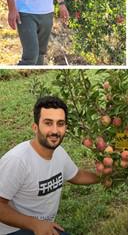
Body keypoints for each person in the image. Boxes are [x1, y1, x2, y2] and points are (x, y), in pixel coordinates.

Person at [0, 96, 99, 235]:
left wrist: (104, 177)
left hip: (42, 227)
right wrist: (35, 224)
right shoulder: (17, 161)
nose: (55, 131)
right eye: (48, 123)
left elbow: (76, 175)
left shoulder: (59, 152)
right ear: (35, 127)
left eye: (60, 123)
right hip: (12, 230)